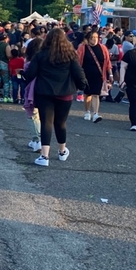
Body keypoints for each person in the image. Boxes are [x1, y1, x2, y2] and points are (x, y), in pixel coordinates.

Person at [25, 27, 88, 166]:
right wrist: (82, 85)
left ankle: (44, 156)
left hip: (44, 92)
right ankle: (62, 151)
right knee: (60, 123)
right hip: (65, 93)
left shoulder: (41, 54)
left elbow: (30, 74)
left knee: (46, 123)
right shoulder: (70, 54)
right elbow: (78, 72)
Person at [77, 30, 111, 124]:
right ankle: (87, 111)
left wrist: (110, 74)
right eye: (92, 38)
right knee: (87, 94)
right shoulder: (83, 48)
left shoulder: (103, 48)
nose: (94, 40)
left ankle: (95, 113)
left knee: (96, 94)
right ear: (88, 39)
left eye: (96, 37)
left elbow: (107, 62)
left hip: (99, 74)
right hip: (86, 74)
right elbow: (78, 60)